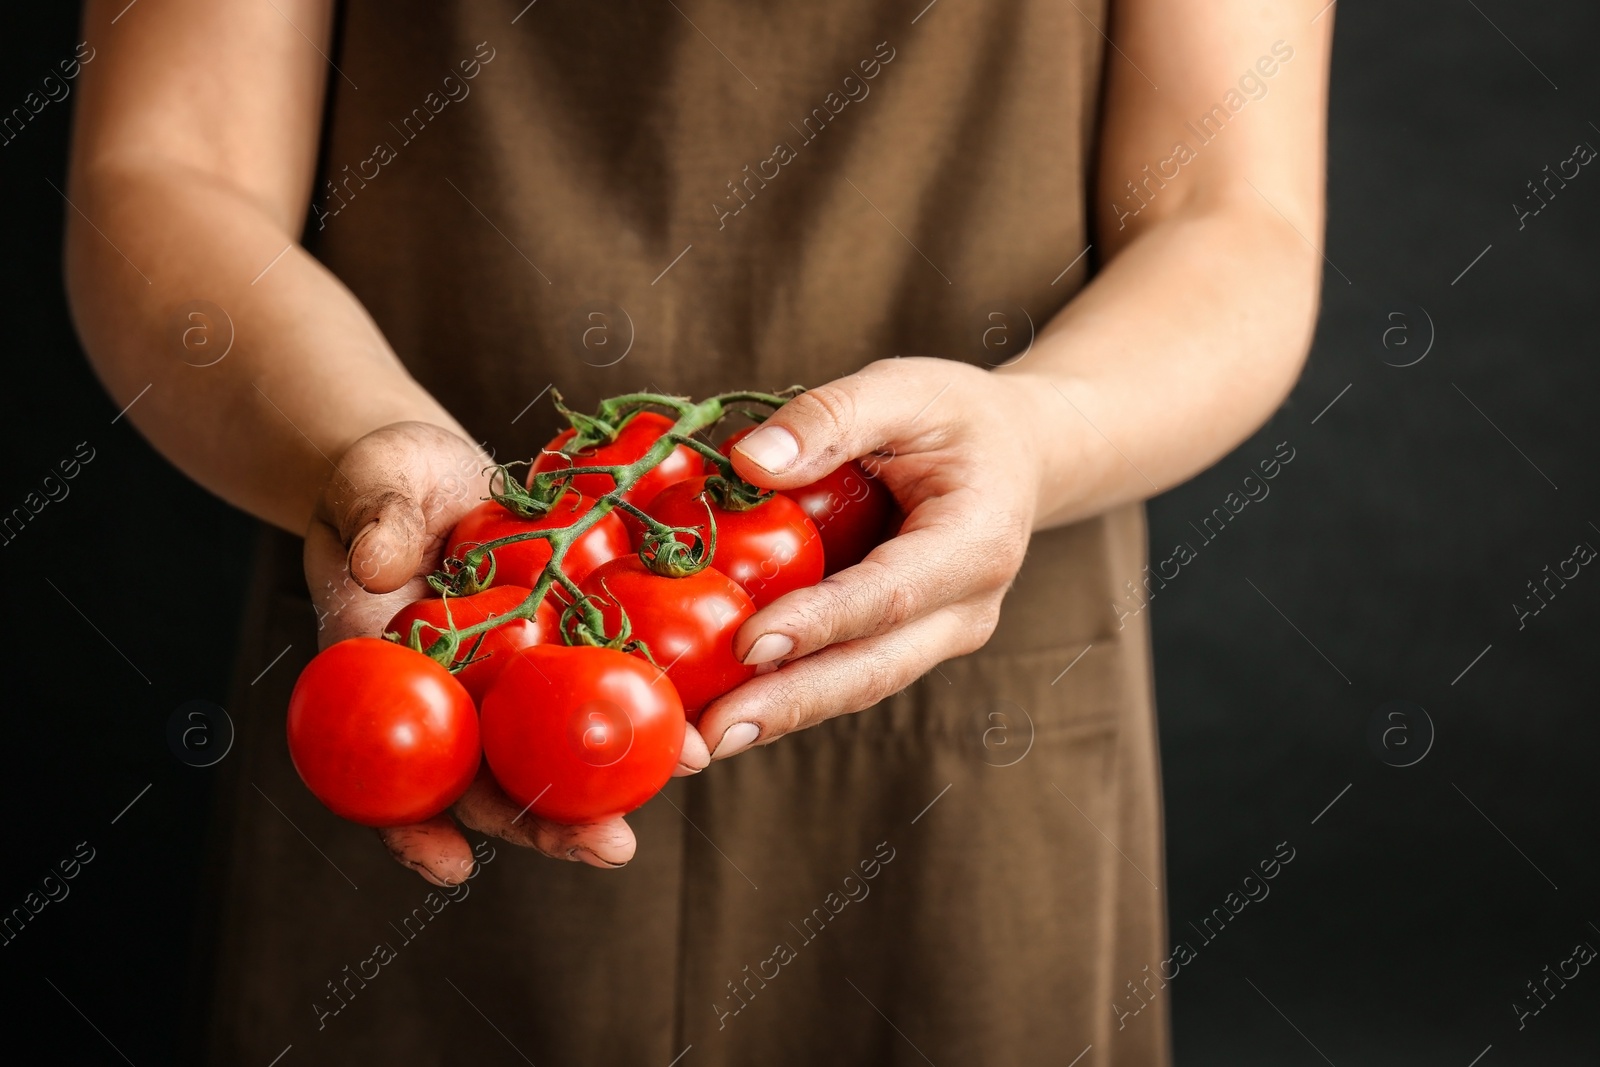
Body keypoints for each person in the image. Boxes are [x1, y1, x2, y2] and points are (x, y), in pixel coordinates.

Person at [64, 0, 1330, 1062]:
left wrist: (1034, 433)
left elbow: (1232, 213)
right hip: (437, 632)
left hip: (971, 690)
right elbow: (168, 169)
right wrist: (364, 458)